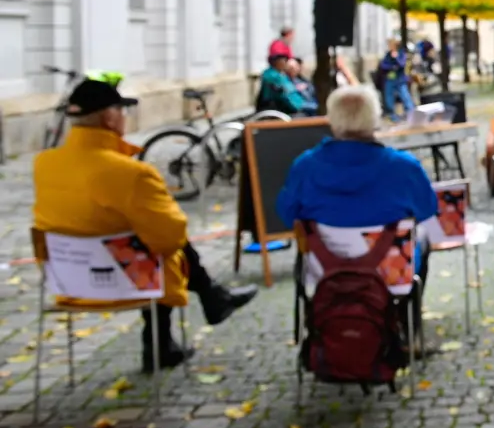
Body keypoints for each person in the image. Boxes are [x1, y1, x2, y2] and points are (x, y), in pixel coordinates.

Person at [34, 79, 257, 372]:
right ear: (109, 117)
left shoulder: (44, 163)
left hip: (69, 279)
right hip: (124, 281)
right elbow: (170, 237)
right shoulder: (132, 173)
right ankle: (185, 319)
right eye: (121, 111)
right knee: (160, 246)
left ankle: (205, 304)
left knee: (141, 239)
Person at [277, 85, 440, 329]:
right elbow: (429, 215)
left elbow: (287, 214)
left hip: (324, 272)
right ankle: (406, 326)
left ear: (332, 120)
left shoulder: (305, 166)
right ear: (374, 120)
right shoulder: (404, 167)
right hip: (391, 272)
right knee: (424, 240)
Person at [378, 39, 414, 121]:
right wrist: (392, 67)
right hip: (390, 79)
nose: (389, 47)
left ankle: (410, 114)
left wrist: (396, 57)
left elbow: (402, 64)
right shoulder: (388, 55)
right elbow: (383, 65)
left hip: (400, 80)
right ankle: (392, 115)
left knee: (405, 96)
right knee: (389, 98)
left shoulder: (401, 53)